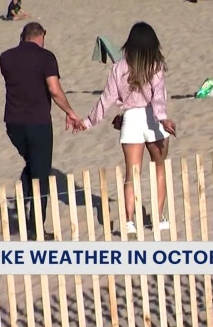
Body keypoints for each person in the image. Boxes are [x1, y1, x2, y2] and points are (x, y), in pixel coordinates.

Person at [74, 22, 177, 234]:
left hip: (130, 119)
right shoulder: (155, 65)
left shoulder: (119, 67)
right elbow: (158, 97)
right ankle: (158, 218)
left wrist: (88, 121)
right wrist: (163, 118)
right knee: (159, 167)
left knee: (132, 173)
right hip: (152, 119)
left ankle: (129, 221)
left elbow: (107, 98)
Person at [0, 22, 82, 241]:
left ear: (23, 36)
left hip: (13, 123)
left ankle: (22, 202)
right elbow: (54, 90)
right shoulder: (46, 57)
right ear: (42, 36)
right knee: (41, 174)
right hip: (38, 122)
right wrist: (70, 111)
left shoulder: (5, 58)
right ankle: (36, 227)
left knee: (33, 165)